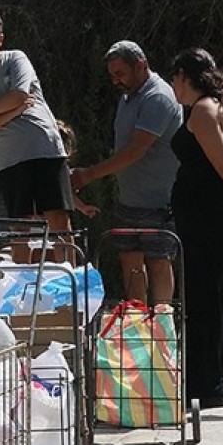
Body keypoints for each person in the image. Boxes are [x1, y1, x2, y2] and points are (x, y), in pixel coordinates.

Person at [167, 48, 223, 409]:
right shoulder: (216, 106)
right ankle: (214, 378)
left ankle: (206, 383)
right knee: (211, 295)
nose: (173, 84)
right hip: (207, 214)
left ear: (185, 76)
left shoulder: (204, 109)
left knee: (202, 298)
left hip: (207, 215)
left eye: (174, 77)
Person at [72, 41, 183, 304]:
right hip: (130, 199)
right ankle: (138, 320)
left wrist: (88, 175)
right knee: (129, 258)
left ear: (141, 66)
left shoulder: (157, 97)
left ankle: (162, 323)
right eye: (112, 75)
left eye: (120, 74)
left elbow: (136, 150)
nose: (116, 81)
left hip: (158, 201)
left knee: (158, 260)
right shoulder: (128, 96)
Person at [0, 8, 73, 263]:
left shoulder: (16, 59)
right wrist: (12, 113)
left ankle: (70, 284)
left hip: (44, 148)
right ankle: (22, 287)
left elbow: (19, 95)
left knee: (58, 219)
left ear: (1, 38)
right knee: (19, 225)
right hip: (9, 158)